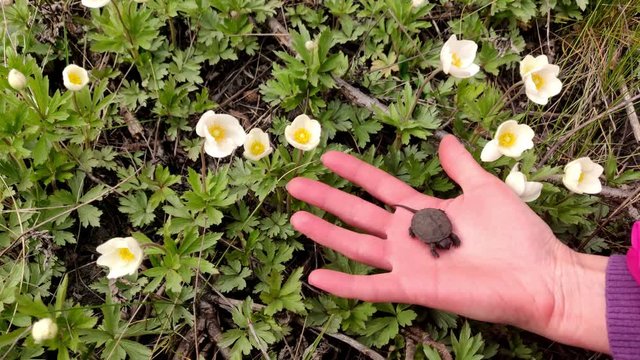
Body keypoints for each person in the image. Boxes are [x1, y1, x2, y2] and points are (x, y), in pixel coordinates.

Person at [285, 135, 640, 359]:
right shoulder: (432, 234)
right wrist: (560, 283)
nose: (447, 245)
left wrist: (559, 285)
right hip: (423, 222)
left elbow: (443, 234)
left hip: (428, 222)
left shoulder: (443, 235)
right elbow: (431, 230)